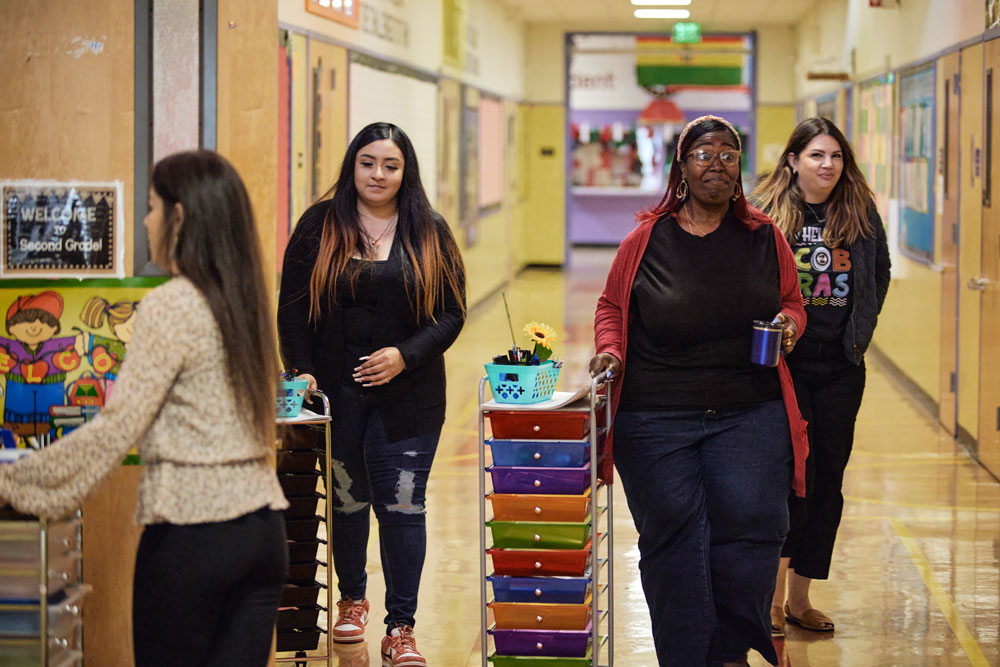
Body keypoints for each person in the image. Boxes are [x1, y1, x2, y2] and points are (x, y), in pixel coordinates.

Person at [0, 150, 289, 666]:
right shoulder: (244, 304)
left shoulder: (172, 304)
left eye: (153, 207)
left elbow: (116, 428)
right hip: (263, 534)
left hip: (192, 533)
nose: (147, 220)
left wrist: (17, 483)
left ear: (180, 218)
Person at [589, 115, 809, 667]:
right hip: (655, 415)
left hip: (749, 410)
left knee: (754, 527)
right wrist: (611, 351)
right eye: (703, 154)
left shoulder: (765, 237)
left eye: (728, 154)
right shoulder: (645, 239)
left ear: (740, 168)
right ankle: (688, 657)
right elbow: (612, 308)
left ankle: (732, 650)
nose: (717, 163)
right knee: (673, 541)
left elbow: (792, 303)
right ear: (682, 167)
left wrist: (787, 326)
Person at [277, 122, 466, 667]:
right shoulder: (319, 225)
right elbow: (292, 308)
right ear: (351, 166)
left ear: (405, 171)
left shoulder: (428, 229)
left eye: (390, 164)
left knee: (403, 507)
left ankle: (401, 628)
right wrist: (302, 372)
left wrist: (405, 355)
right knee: (347, 500)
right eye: (367, 162)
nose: (377, 174)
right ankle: (353, 596)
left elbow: (452, 314)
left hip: (410, 401)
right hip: (334, 396)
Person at [750, 117, 890, 635]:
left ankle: (800, 598)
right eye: (816, 155)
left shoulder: (859, 210)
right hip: (783, 368)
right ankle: (771, 597)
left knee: (828, 479)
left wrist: (863, 327)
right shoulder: (767, 212)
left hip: (840, 368)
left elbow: (880, 272)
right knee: (787, 479)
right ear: (793, 160)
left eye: (835, 156)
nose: (827, 165)